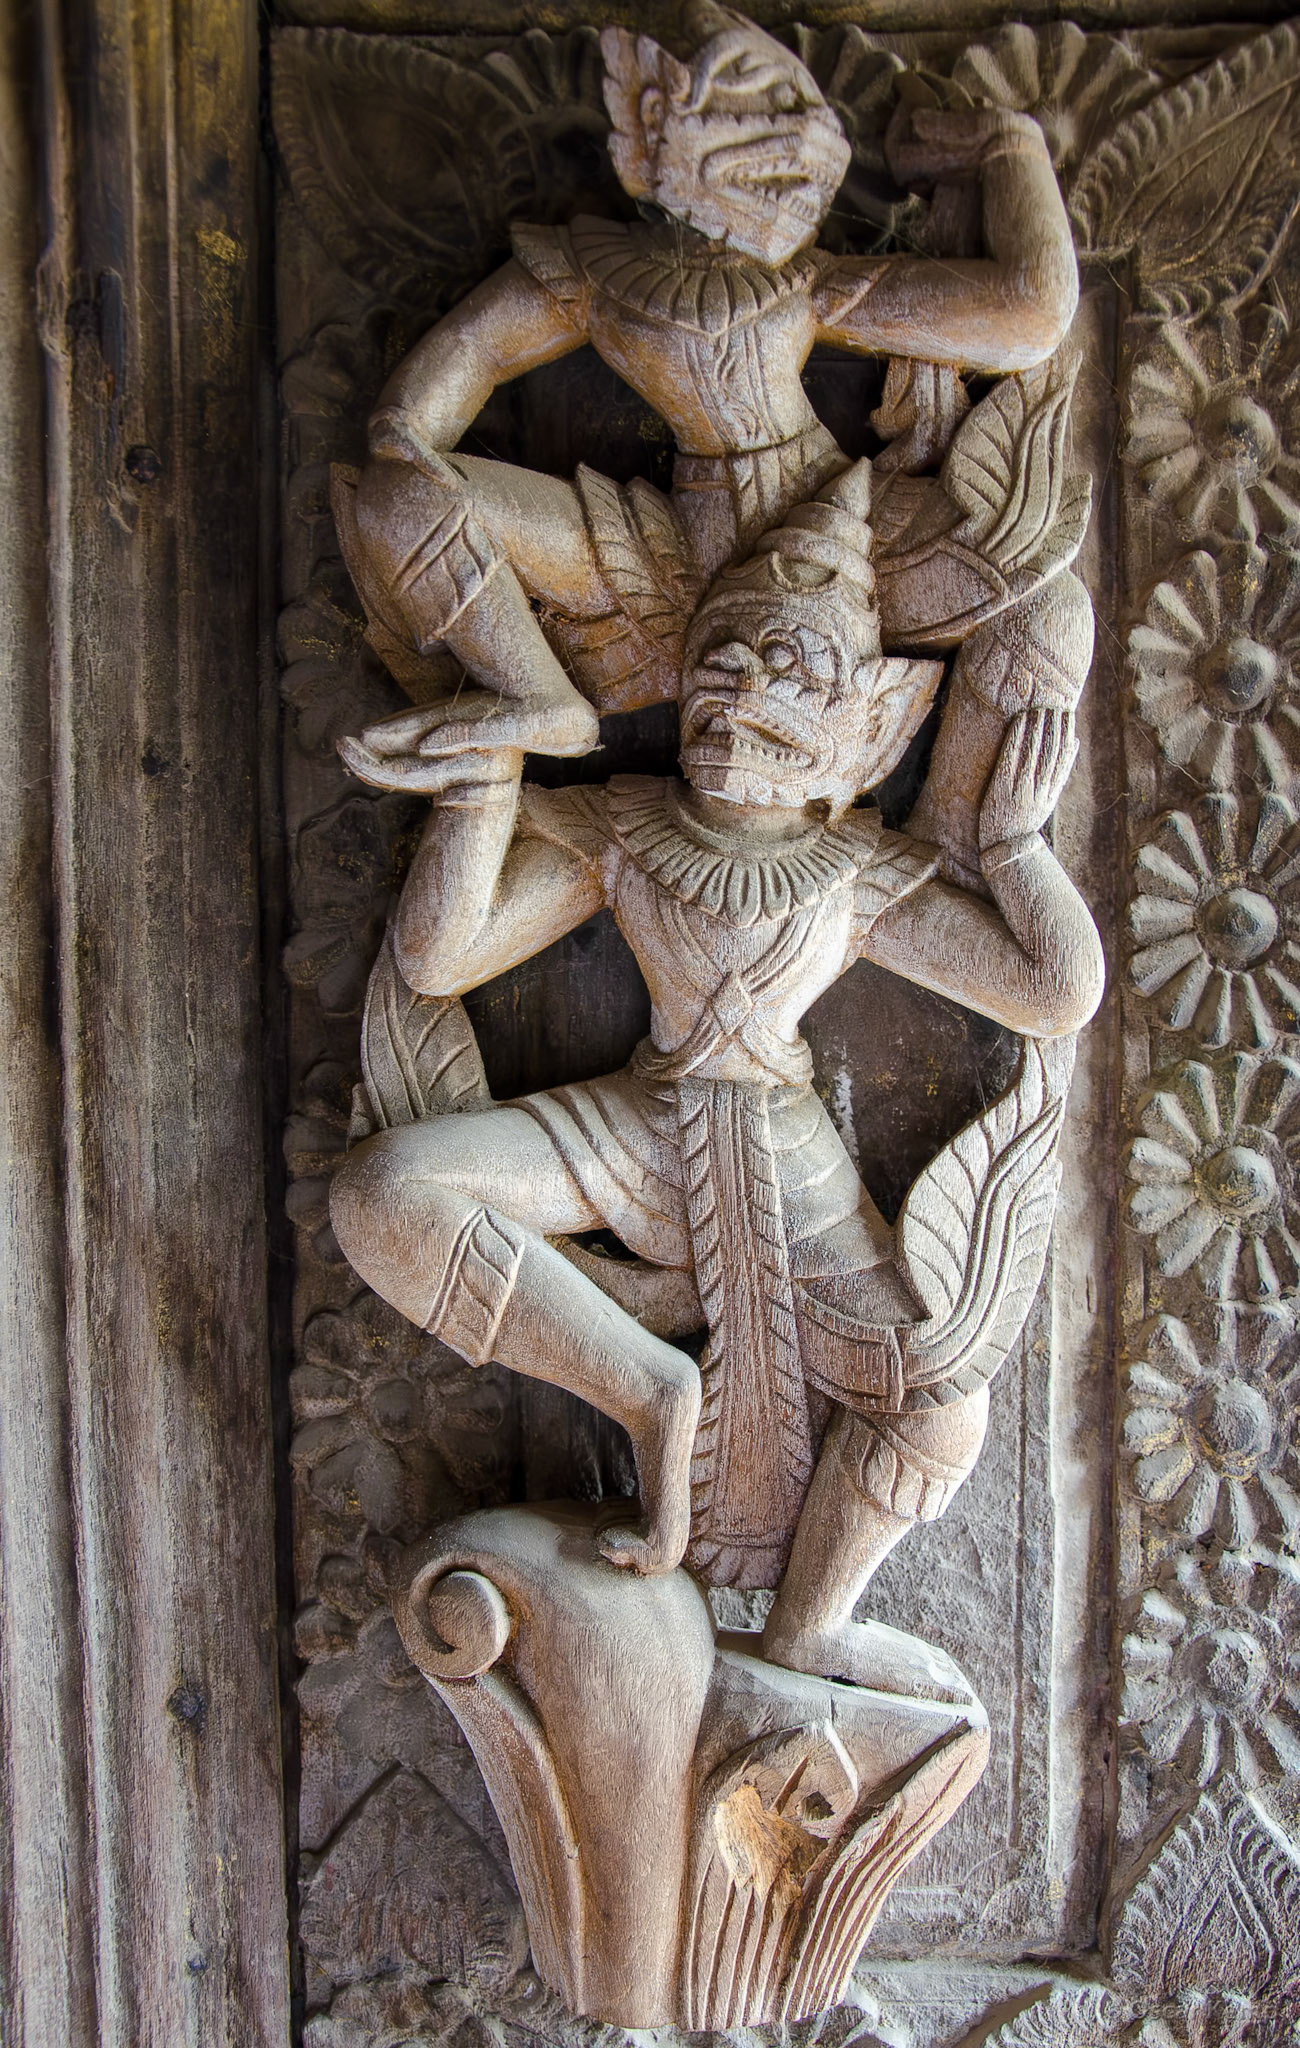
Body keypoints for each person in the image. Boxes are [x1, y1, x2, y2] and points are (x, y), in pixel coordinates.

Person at [329, 463, 1103, 1694]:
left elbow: (1053, 992)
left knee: (939, 1401)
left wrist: (1012, 843)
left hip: (791, 1163)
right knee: (382, 1194)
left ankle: (809, 1623)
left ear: (870, 726)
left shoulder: (854, 868)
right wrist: (484, 791)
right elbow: (441, 957)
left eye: (791, 670)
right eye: (721, 662)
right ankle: (644, 1382)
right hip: (637, 1125)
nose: (742, 690)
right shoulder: (628, 824)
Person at [334, 3, 1081, 771]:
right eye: (767, 115)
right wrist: (405, 427)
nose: (797, 155)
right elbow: (475, 348)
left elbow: (1029, 312)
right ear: (658, 115)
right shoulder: (588, 268)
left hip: (828, 518)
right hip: (673, 551)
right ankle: (537, 694)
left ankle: (968, 829)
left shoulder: (802, 281)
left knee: (1047, 605)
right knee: (398, 498)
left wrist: (1008, 148)